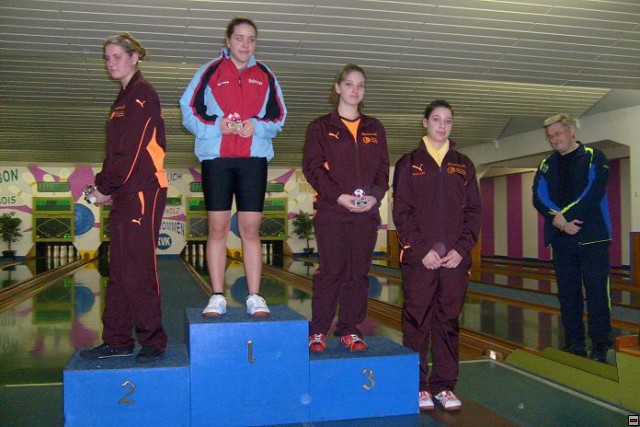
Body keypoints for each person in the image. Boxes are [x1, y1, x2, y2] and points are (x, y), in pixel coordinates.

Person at [180, 17, 286, 318]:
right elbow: (188, 110)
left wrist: (256, 126)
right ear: (228, 41)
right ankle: (216, 295)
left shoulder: (265, 75)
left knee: (250, 228)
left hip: (253, 159)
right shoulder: (209, 71)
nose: (245, 44)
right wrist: (217, 126)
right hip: (217, 159)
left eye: (251, 39)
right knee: (218, 227)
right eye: (239, 38)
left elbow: (279, 116)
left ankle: (254, 295)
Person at [80, 33, 169, 363]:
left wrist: (107, 187)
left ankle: (153, 339)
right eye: (107, 58)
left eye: (117, 56)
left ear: (135, 57)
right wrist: (104, 186)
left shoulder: (142, 93)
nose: (111, 63)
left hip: (143, 190)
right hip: (126, 192)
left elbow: (131, 151)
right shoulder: (121, 99)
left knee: (138, 268)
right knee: (117, 269)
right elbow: (113, 152)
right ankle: (117, 339)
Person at [392, 100, 481, 411]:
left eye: (448, 121)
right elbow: (402, 212)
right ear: (425, 122)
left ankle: (444, 386)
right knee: (417, 320)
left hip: (455, 260)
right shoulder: (408, 163)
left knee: (448, 321)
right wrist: (421, 250)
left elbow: (474, 212)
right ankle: (417, 385)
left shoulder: (464, 164)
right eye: (436, 119)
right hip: (420, 260)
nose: (442, 126)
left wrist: (461, 250)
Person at [303, 64, 390, 353]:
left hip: (366, 214)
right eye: (349, 84)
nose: (355, 90)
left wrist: (374, 197)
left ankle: (349, 329)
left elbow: (382, 170)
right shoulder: (320, 127)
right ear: (338, 87)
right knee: (331, 271)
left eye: (360, 85)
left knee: (358, 274)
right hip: (332, 212)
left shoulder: (375, 128)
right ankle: (318, 331)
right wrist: (339, 197)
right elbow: (313, 169)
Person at [532, 113, 612, 363]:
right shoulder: (546, 164)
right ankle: (575, 343)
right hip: (561, 239)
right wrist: (559, 220)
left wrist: (565, 216)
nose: (554, 139)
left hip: (593, 238)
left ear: (571, 131)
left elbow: (593, 191)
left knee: (597, 293)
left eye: (558, 133)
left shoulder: (594, 156)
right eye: (550, 136)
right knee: (568, 294)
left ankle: (600, 344)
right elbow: (538, 196)